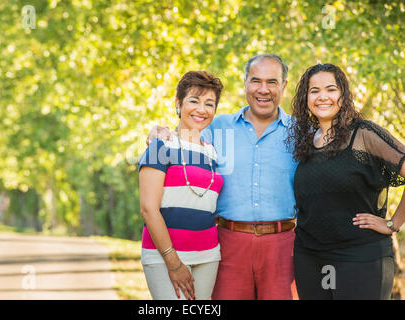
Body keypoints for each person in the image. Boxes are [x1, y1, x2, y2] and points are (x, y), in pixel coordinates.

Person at [147, 54, 298, 300]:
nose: (263, 89)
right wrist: (159, 130)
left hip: (282, 246)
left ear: (283, 86)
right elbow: (183, 138)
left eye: (272, 82)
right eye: (255, 80)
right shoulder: (218, 127)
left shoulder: (300, 132)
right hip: (227, 244)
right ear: (245, 83)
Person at [288, 63, 405, 300]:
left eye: (331, 89)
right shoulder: (304, 141)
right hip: (310, 257)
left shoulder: (363, 134)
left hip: (361, 255)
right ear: (305, 97)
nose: (323, 97)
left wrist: (393, 223)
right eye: (314, 91)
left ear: (343, 94)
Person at [138, 71, 224, 300]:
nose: (201, 109)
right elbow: (148, 209)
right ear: (178, 103)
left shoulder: (213, 151)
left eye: (209, 103)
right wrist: (173, 262)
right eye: (194, 101)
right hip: (164, 256)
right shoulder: (160, 146)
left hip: (208, 255)